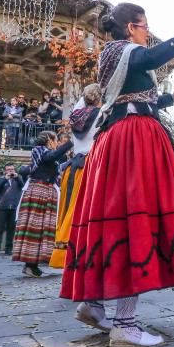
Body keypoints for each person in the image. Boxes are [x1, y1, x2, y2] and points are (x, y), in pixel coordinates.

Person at [61, 4, 174, 347]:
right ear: (131, 28)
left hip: (119, 139)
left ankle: (94, 305)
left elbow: (134, 97)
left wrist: (168, 99)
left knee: (115, 221)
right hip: (134, 141)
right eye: (145, 27)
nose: (148, 33)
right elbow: (150, 59)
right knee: (137, 221)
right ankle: (125, 325)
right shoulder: (124, 50)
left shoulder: (116, 55)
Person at [50, 83, 101, 271]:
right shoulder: (102, 115)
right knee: (84, 211)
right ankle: (83, 254)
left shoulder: (76, 116)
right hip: (91, 165)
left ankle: (65, 254)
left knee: (69, 209)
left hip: (73, 168)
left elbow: (81, 103)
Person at [12, 130, 71, 277]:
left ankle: (33, 264)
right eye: (56, 139)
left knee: (42, 229)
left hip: (46, 192)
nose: (57, 143)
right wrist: (71, 142)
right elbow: (51, 157)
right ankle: (30, 264)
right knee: (36, 227)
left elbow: (56, 165)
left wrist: (71, 160)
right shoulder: (39, 150)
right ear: (49, 140)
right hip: (39, 191)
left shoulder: (48, 157)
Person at [0, 163, 25, 255]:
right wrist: (5, 179)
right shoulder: (1, 179)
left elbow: (23, 186)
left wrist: (17, 177)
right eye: (8, 169)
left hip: (14, 207)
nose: (10, 171)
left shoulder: (17, 179)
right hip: (3, 207)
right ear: (5, 171)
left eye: (12, 169)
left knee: (11, 229)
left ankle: (9, 249)